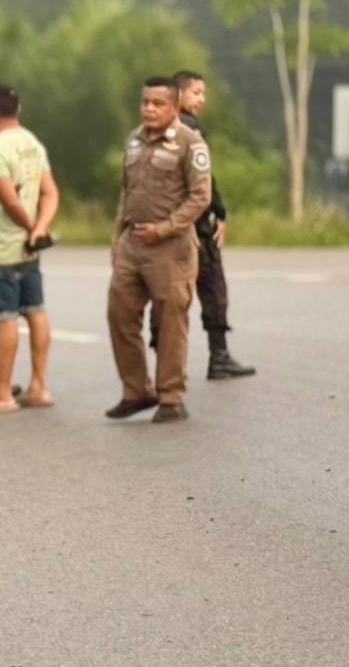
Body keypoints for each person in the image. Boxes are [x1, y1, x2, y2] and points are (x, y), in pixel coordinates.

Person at [106, 78, 212, 424]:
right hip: (132, 242)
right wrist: (118, 238)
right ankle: (136, 390)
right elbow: (127, 192)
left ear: (175, 107)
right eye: (145, 102)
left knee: (170, 322)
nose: (149, 109)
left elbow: (200, 197)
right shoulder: (134, 140)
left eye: (158, 103)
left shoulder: (190, 143)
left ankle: (171, 396)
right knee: (120, 314)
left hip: (170, 247)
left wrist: (164, 228)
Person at [0, 84, 58, 415]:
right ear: (17, 110)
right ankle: (39, 386)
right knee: (35, 311)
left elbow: (9, 201)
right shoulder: (32, 143)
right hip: (29, 248)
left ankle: (2, 393)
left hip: (0, 248)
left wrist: (31, 227)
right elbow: (50, 192)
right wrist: (40, 228)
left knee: (4, 318)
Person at [174, 71, 256, 380]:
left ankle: (169, 367)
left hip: (171, 225)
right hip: (196, 225)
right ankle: (218, 357)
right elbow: (204, 179)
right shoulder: (190, 128)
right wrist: (220, 212)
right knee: (212, 289)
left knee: (172, 297)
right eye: (196, 92)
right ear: (178, 95)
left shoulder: (161, 131)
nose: (202, 99)